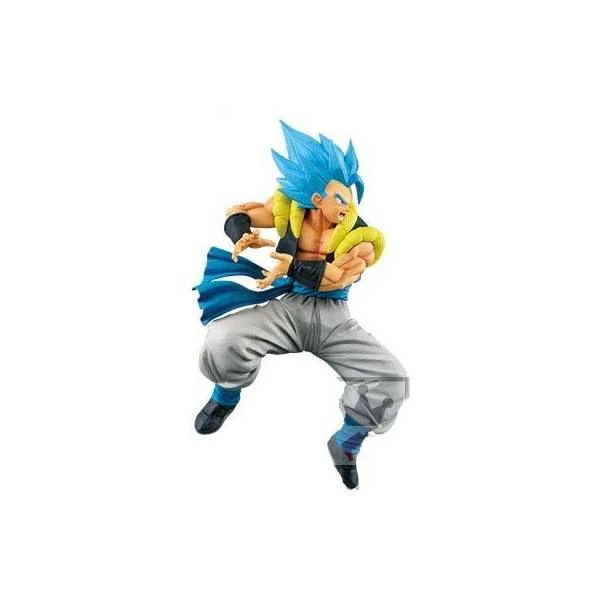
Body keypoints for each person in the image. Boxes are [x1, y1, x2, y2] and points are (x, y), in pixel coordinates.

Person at [194, 121, 409, 489]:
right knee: (223, 337)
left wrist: (288, 265)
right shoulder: (289, 208)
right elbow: (238, 212)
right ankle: (225, 396)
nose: (347, 205)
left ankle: (347, 443)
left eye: (350, 196)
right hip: (289, 309)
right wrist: (242, 233)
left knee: (391, 380)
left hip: (333, 319)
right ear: (316, 198)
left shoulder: (362, 237)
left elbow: (335, 278)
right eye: (339, 197)